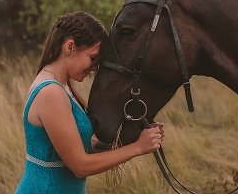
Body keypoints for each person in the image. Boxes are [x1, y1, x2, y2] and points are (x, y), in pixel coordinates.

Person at [15, 11, 164, 194]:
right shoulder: (50, 93)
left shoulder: (61, 86)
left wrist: (135, 136)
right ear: (69, 47)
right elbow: (80, 166)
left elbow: (82, 148)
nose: (94, 68)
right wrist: (138, 147)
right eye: (93, 58)